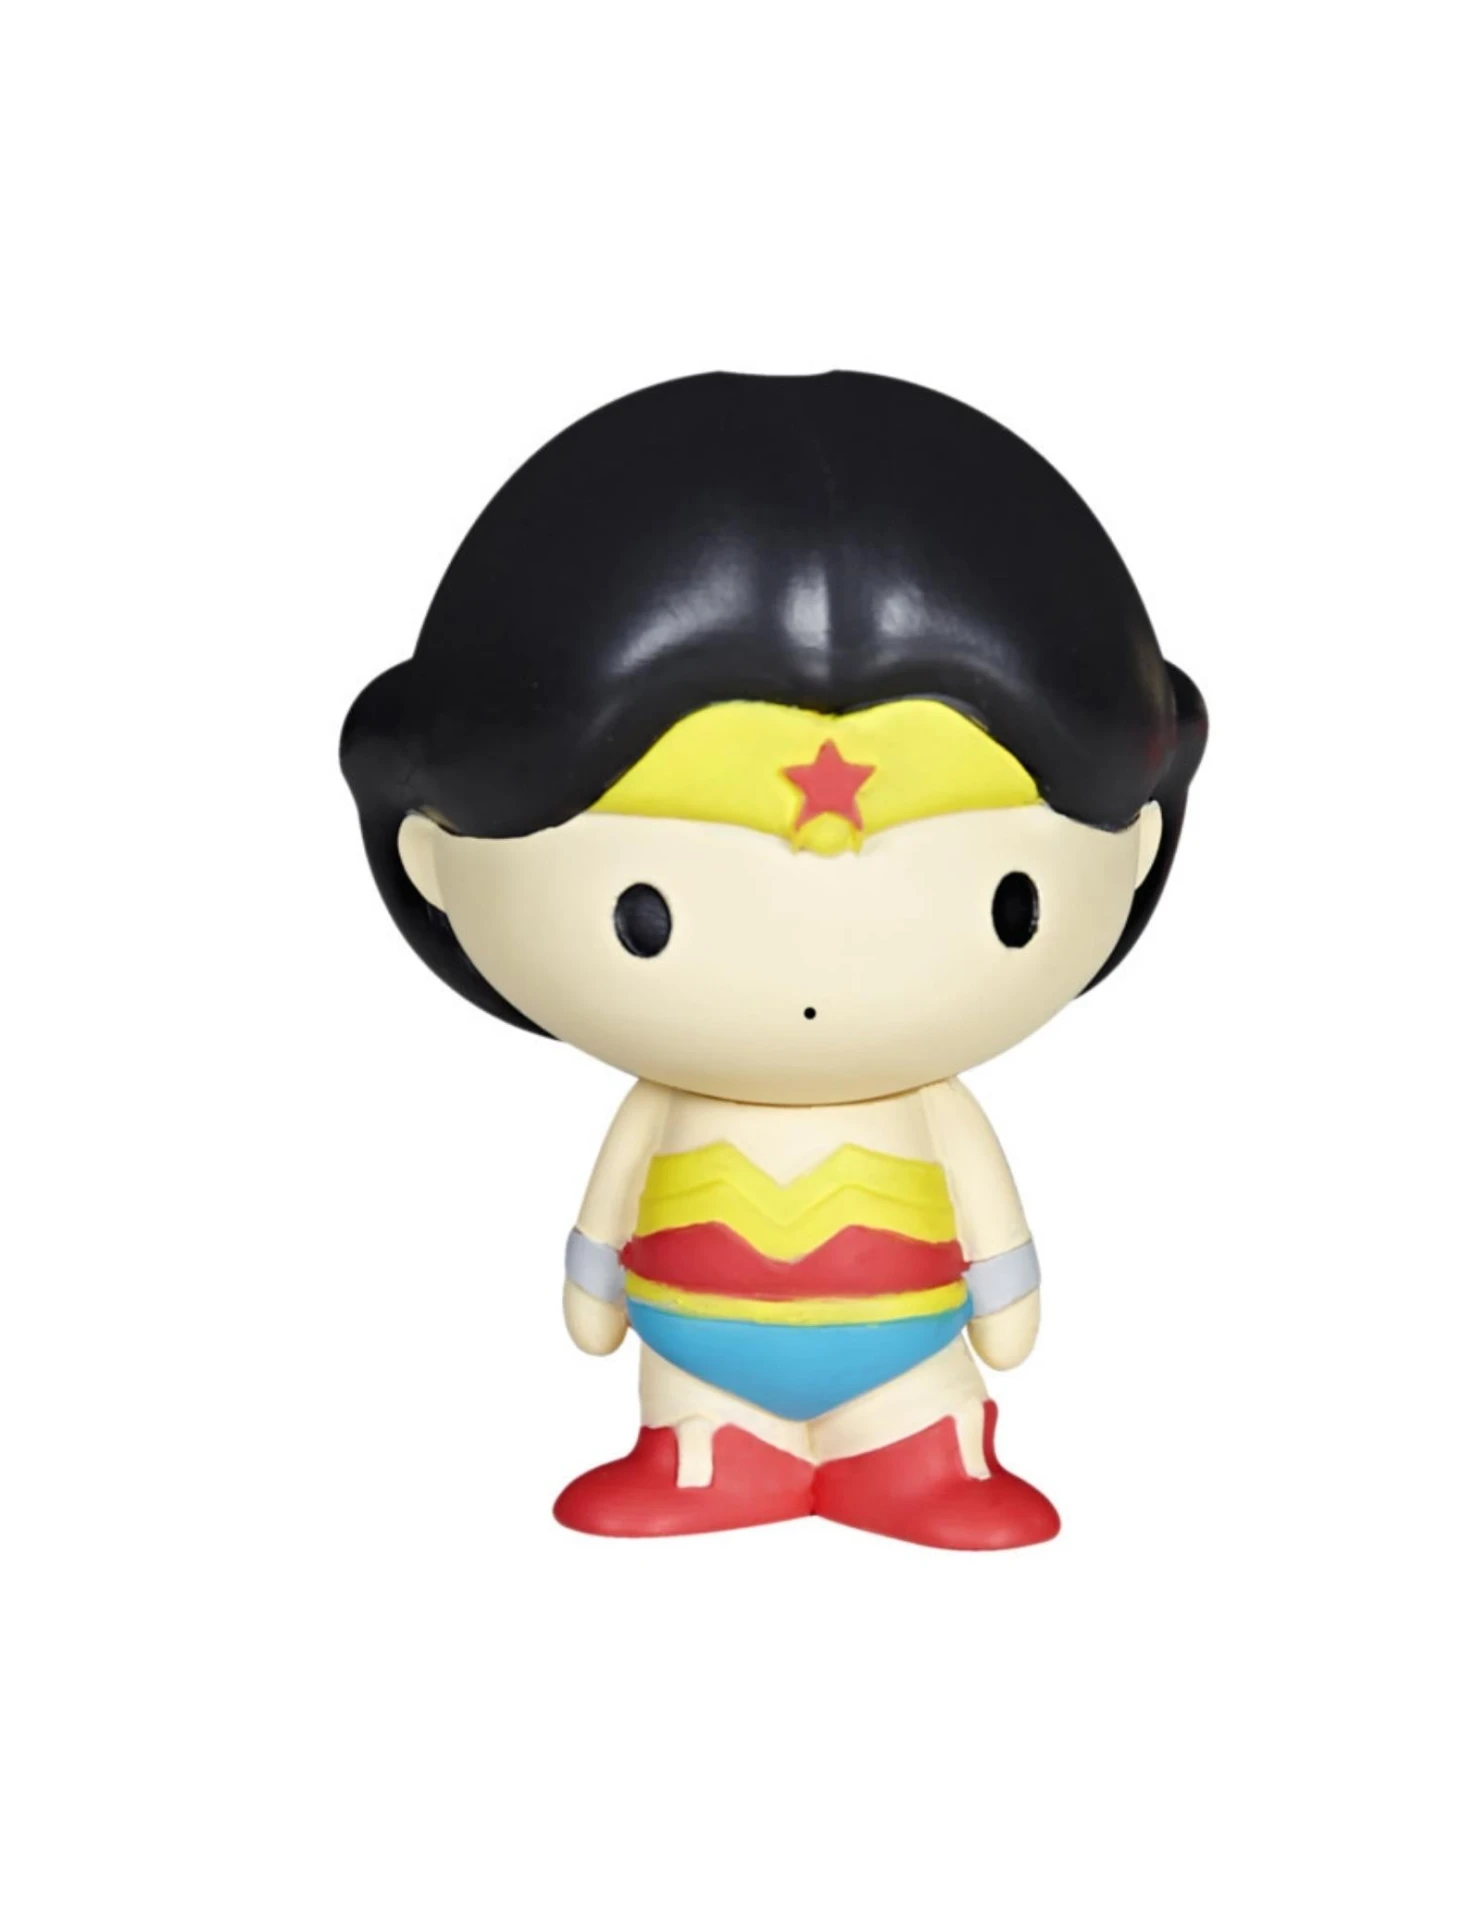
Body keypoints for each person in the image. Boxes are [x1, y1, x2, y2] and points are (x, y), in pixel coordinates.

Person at [341, 370, 1207, 1548]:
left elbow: (991, 1225)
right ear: (432, 859)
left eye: (1009, 903)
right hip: (700, 1367)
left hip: (906, 1355)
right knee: (701, 1429)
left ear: (1139, 844)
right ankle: (708, 1459)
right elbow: (610, 1214)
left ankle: (923, 1457)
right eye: (644, 913)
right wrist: (593, 1284)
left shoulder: (929, 1105)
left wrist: (1006, 1301)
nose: (815, 985)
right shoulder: (667, 1102)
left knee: (921, 1421)